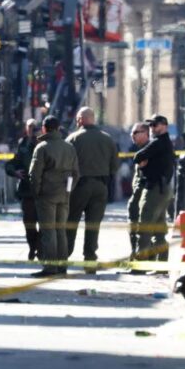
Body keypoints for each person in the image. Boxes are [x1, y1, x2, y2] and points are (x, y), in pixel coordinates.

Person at [65, 107, 119, 273]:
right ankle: (90, 261)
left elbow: (66, 167)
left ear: (80, 119)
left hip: (79, 186)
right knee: (93, 225)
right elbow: (114, 167)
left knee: (71, 222)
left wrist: (67, 191)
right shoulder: (107, 139)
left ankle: (64, 257)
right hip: (100, 186)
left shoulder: (72, 138)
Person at [29, 116, 79, 278]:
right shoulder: (69, 147)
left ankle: (50, 267)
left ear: (44, 128)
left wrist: (36, 192)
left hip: (46, 195)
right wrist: (68, 190)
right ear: (58, 128)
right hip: (64, 194)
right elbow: (76, 173)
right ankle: (62, 266)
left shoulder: (42, 147)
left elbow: (34, 174)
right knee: (60, 230)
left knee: (48, 231)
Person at [134, 114, 175, 262]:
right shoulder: (163, 142)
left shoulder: (158, 142)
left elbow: (137, 156)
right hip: (162, 188)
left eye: (155, 125)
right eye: (150, 125)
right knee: (159, 229)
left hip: (155, 189)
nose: (151, 128)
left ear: (164, 126)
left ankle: (141, 263)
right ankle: (162, 264)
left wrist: (143, 161)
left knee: (144, 226)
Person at [4, 119, 40, 260]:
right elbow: (15, 162)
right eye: (30, 127)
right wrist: (14, 172)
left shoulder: (44, 143)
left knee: (45, 224)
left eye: (34, 127)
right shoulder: (23, 144)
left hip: (44, 192)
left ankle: (41, 249)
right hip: (27, 191)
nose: (32, 129)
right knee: (29, 224)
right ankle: (33, 247)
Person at [127, 122, 150, 260]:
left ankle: (137, 257)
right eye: (132, 132)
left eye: (136, 132)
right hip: (138, 192)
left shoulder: (148, 149)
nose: (132, 135)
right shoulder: (140, 149)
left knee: (136, 224)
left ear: (145, 133)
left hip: (142, 193)